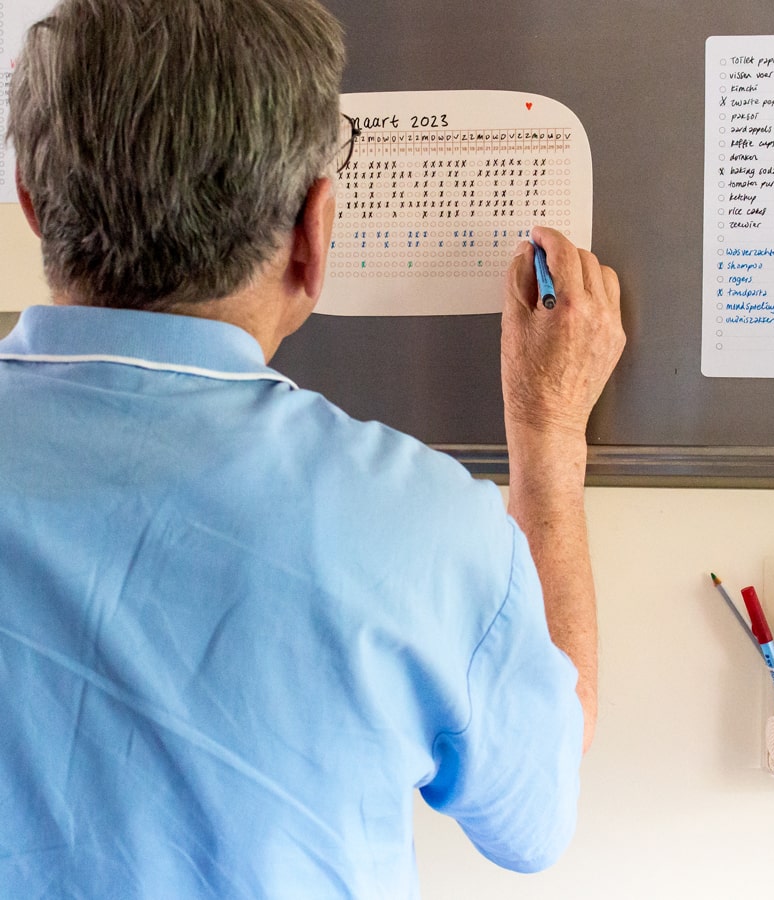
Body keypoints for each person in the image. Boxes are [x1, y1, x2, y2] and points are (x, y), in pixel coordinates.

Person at [0, 0, 625, 897]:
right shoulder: (422, 523)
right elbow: (536, 803)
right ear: (314, 233)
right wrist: (548, 436)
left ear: (30, 201)